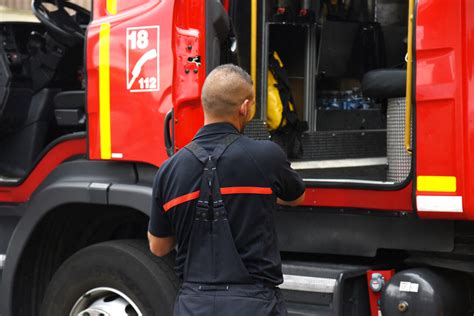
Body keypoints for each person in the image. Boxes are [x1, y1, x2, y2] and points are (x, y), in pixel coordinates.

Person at [148, 64, 305, 316]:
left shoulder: (169, 170)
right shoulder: (267, 157)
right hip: (255, 304)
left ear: (204, 104)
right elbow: (297, 197)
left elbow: (159, 247)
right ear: (244, 107)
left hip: (193, 305)